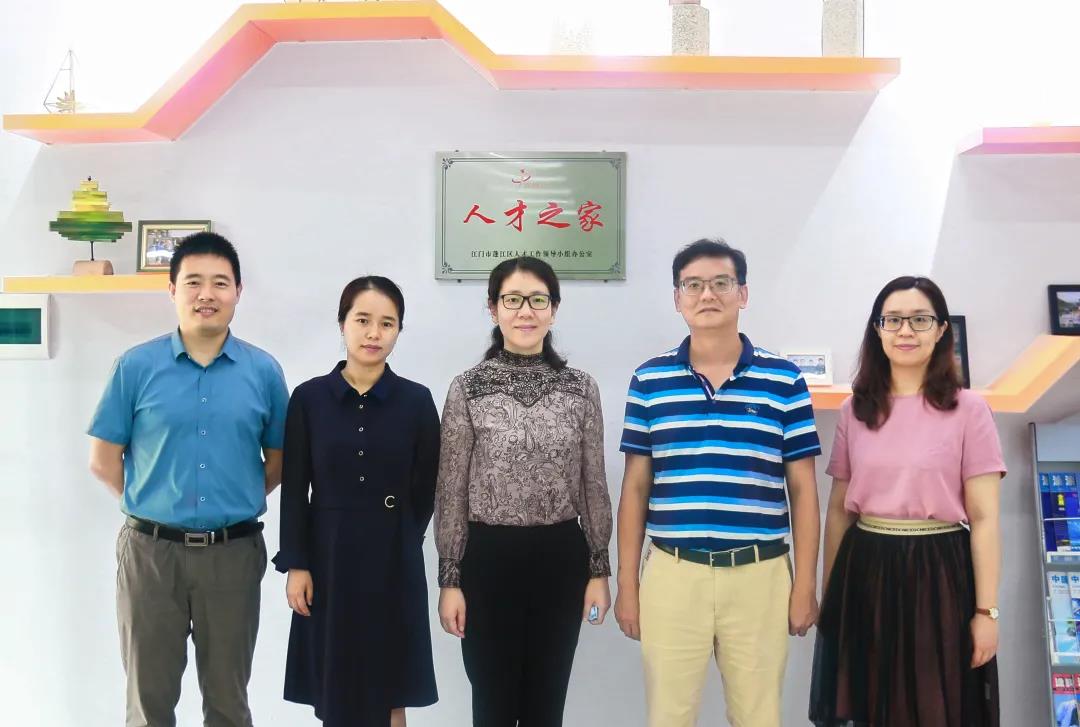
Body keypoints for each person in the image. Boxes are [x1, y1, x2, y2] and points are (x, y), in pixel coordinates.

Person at [614, 238, 822, 727]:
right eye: (693, 285)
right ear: (677, 298)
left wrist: (805, 584)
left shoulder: (784, 380)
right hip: (673, 573)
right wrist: (627, 582)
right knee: (668, 717)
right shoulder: (649, 380)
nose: (707, 294)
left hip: (759, 575)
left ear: (742, 293)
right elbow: (635, 489)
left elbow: (804, 493)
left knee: (758, 717)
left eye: (721, 283)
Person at [87, 232, 289, 727]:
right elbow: (103, 459)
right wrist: (154, 502)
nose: (206, 294)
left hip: (233, 555)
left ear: (238, 291)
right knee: (148, 702)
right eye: (193, 282)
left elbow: (280, 459)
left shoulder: (263, 371)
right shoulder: (136, 367)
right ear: (172, 290)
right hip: (150, 556)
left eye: (220, 282)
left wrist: (233, 499)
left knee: (228, 702)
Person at [809, 275, 1005, 727]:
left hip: (941, 572)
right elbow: (839, 510)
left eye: (920, 319)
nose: (905, 331)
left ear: (941, 330)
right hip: (866, 566)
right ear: (877, 330)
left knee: (934, 700)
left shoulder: (969, 409)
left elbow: (985, 518)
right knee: (870, 699)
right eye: (893, 320)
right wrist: (831, 593)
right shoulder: (855, 410)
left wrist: (986, 612)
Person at [435, 256, 613, 727]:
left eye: (537, 300)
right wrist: (450, 579)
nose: (525, 311)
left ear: (554, 309)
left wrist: (599, 569)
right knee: (492, 705)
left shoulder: (580, 388)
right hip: (487, 560)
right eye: (512, 300)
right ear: (493, 308)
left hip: (560, 558)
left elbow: (593, 482)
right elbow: (451, 489)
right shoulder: (467, 388)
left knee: (545, 705)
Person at [274, 276, 439, 726]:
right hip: (329, 557)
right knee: (336, 683)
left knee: (391, 689)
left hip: (393, 558)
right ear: (342, 323)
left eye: (387, 323)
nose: (373, 333)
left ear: (398, 330)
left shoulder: (416, 401)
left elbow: (427, 485)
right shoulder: (309, 398)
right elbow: (295, 488)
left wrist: (403, 535)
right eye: (362, 320)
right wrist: (297, 564)